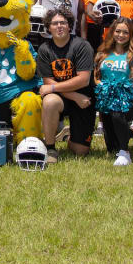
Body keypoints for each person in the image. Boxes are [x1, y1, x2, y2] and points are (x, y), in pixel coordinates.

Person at [37, 8, 95, 161]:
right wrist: (73, 95)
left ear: (70, 26)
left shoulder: (82, 46)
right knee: (49, 101)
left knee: (81, 151)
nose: (59, 26)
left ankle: (70, 136)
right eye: (55, 23)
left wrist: (55, 88)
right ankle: (50, 149)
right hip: (66, 98)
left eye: (63, 22)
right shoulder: (44, 49)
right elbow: (48, 83)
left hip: (84, 99)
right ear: (48, 28)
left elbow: (83, 79)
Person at [94, 17, 133, 166]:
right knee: (112, 148)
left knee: (117, 112)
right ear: (112, 32)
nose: (121, 35)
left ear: (130, 35)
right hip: (106, 99)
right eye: (118, 31)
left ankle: (125, 153)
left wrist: (123, 92)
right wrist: (104, 89)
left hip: (128, 99)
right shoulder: (103, 52)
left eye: (125, 32)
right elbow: (96, 77)